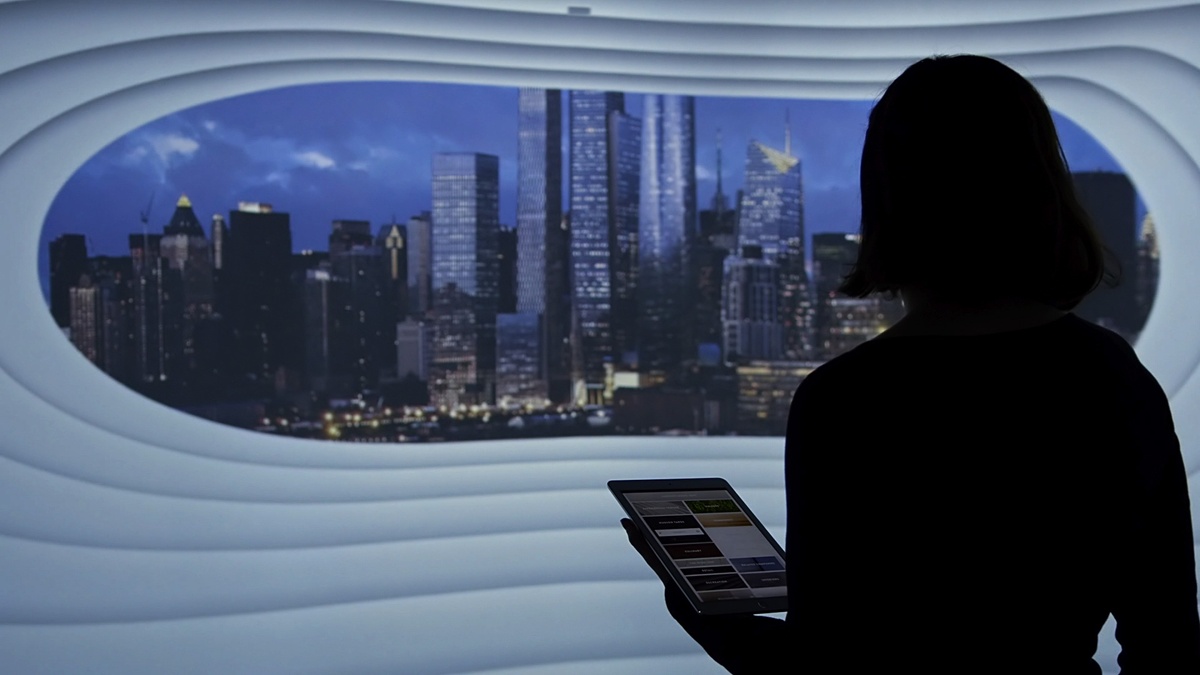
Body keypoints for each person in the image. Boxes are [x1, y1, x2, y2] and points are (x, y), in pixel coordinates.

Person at [622, 54, 1200, 673]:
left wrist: (713, 623)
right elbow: (1167, 643)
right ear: (1040, 192)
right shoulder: (1112, 377)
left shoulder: (844, 400)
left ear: (888, 200)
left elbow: (823, 664)